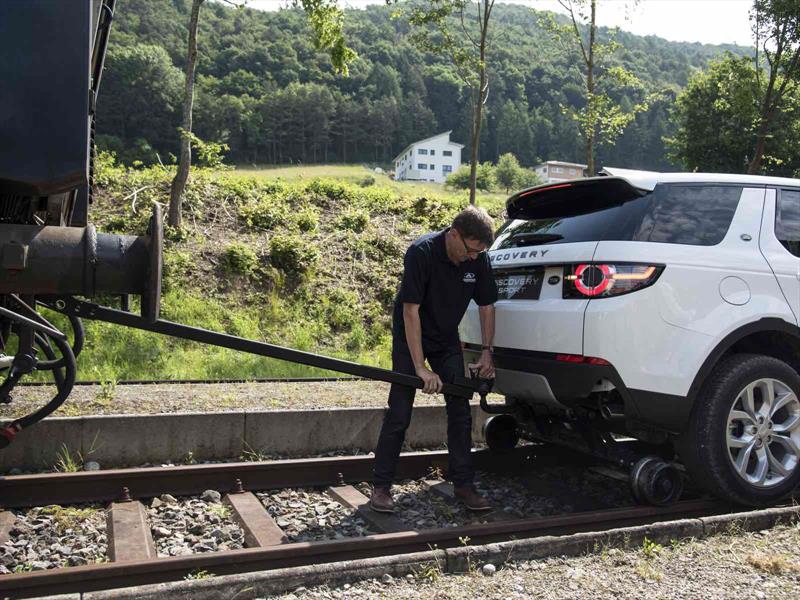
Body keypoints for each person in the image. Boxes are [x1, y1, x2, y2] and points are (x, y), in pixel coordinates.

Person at [370, 206, 498, 513]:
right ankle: (381, 487)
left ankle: (463, 485)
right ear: (454, 235)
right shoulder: (421, 252)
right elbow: (410, 310)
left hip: (445, 337)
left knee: (460, 410)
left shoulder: (478, 258)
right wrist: (419, 368)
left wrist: (486, 351)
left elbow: (487, 305)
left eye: (479, 253)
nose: (473, 257)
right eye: (470, 250)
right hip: (411, 334)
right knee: (400, 410)